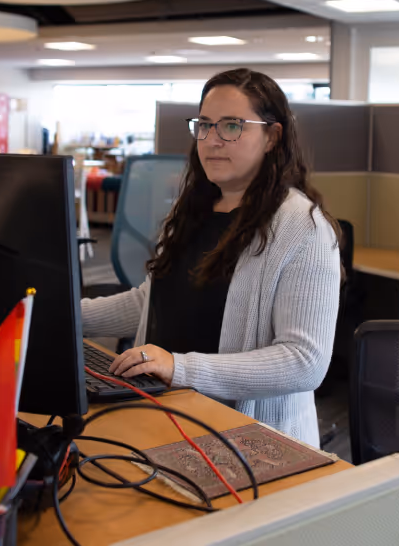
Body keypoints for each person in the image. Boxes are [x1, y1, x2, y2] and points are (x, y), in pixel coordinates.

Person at [81, 68, 341, 447]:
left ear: (272, 136)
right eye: (204, 125)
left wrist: (179, 367)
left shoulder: (302, 227)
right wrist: (69, 316)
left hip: (249, 441)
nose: (212, 140)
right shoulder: (193, 209)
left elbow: (304, 362)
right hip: (165, 415)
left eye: (232, 126)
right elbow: (153, 303)